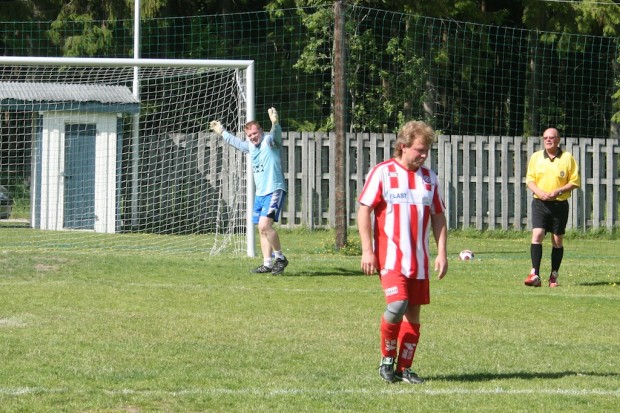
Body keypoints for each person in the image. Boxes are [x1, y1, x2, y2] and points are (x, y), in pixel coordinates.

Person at [357, 120, 448, 384]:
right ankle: (387, 359)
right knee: (397, 305)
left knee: (414, 314)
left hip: (419, 260)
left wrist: (442, 253)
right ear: (403, 146)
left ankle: (404, 368)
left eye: (427, 150)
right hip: (390, 257)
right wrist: (367, 250)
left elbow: (439, 217)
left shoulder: (430, 179)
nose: (423, 155)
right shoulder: (383, 172)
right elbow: (364, 209)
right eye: (419, 149)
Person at [209, 108, 289, 275]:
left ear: (261, 131)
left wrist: (275, 124)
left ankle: (280, 258)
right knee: (261, 229)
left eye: (255, 133)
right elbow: (236, 143)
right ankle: (267, 264)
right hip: (260, 194)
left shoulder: (269, 141)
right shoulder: (251, 147)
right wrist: (222, 131)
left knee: (264, 225)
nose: (253, 137)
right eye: (250, 135)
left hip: (274, 190)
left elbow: (276, 136)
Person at [524, 128, 580, 288]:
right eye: (545, 138)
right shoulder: (536, 157)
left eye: (552, 137)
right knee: (538, 234)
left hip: (559, 205)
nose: (548, 140)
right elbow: (530, 180)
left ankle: (553, 275)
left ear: (558, 139)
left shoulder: (567, 158)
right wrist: (540, 193)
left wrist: (559, 190)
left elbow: (574, 181)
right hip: (540, 203)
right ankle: (534, 273)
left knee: (557, 240)